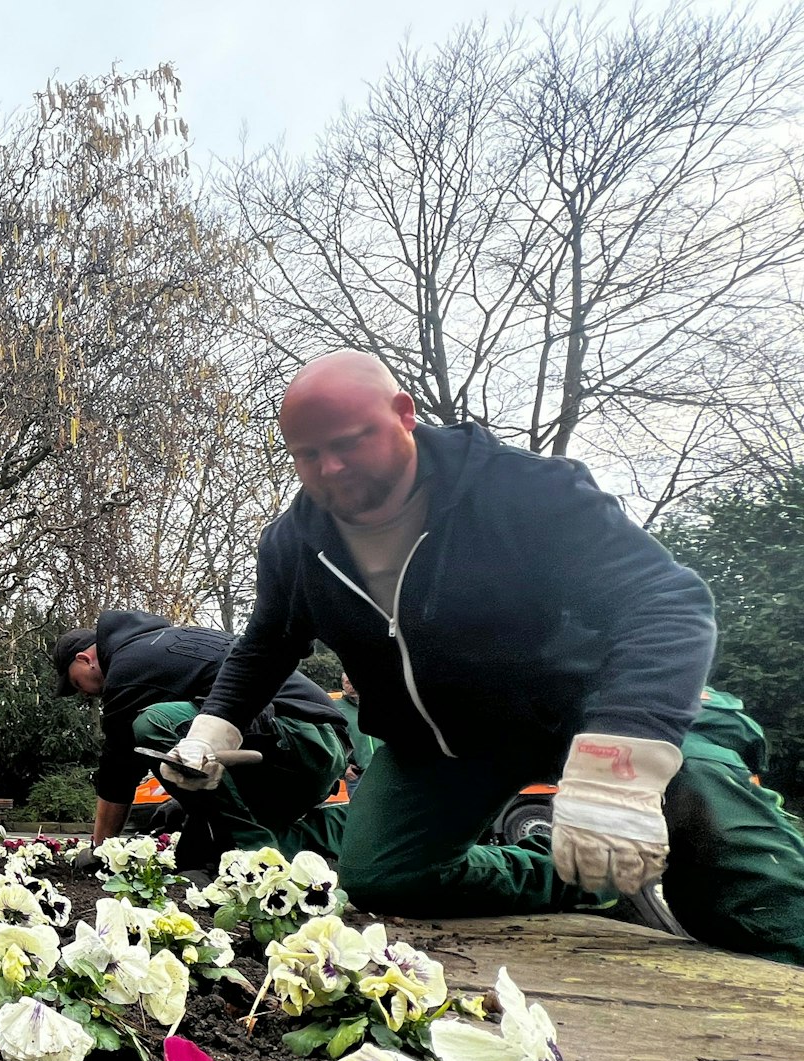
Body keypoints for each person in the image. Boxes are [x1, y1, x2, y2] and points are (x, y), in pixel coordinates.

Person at [172, 349, 804, 965]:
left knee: (714, 821)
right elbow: (267, 642)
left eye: (351, 441)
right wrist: (212, 727)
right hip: (443, 744)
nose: (331, 468)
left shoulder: (525, 491)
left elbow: (666, 601)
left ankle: (780, 936)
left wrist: (624, 752)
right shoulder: (295, 544)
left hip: (585, 710)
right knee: (383, 877)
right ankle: (581, 879)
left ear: (404, 412)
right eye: (308, 454)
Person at [51, 612, 352, 871]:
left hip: (299, 734)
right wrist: (185, 803)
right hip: (317, 746)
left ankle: (249, 855)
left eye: (77, 683)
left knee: (152, 723)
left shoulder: (127, 669)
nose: (84, 693)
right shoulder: (168, 644)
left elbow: (118, 773)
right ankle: (341, 827)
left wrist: (102, 849)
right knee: (196, 855)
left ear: (85, 659)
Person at [333, 674, 384, 783]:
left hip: (384, 771)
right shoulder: (336, 708)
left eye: (355, 680)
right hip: (357, 776)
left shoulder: (379, 704)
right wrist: (343, 767)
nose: (352, 685)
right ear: (343, 685)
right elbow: (331, 740)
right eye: (348, 682)